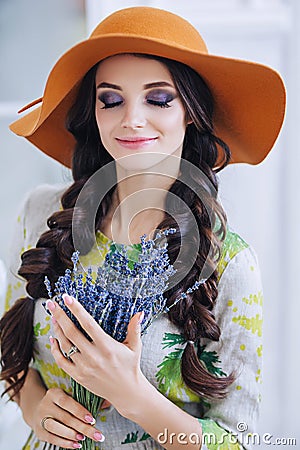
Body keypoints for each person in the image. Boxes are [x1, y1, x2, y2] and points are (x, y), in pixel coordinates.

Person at [0, 6, 285, 450]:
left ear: (190, 111)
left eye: (158, 98)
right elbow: (14, 353)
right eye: (110, 100)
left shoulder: (230, 264)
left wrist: (133, 397)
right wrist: (35, 407)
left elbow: (238, 442)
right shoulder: (40, 214)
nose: (131, 119)